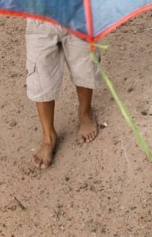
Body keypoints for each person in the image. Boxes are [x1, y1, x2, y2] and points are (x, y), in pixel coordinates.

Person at [25, 19, 101, 169]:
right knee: (41, 76)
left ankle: (85, 112)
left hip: (77, 12)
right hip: (39, 17)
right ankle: (48, 136)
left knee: (85, 65)